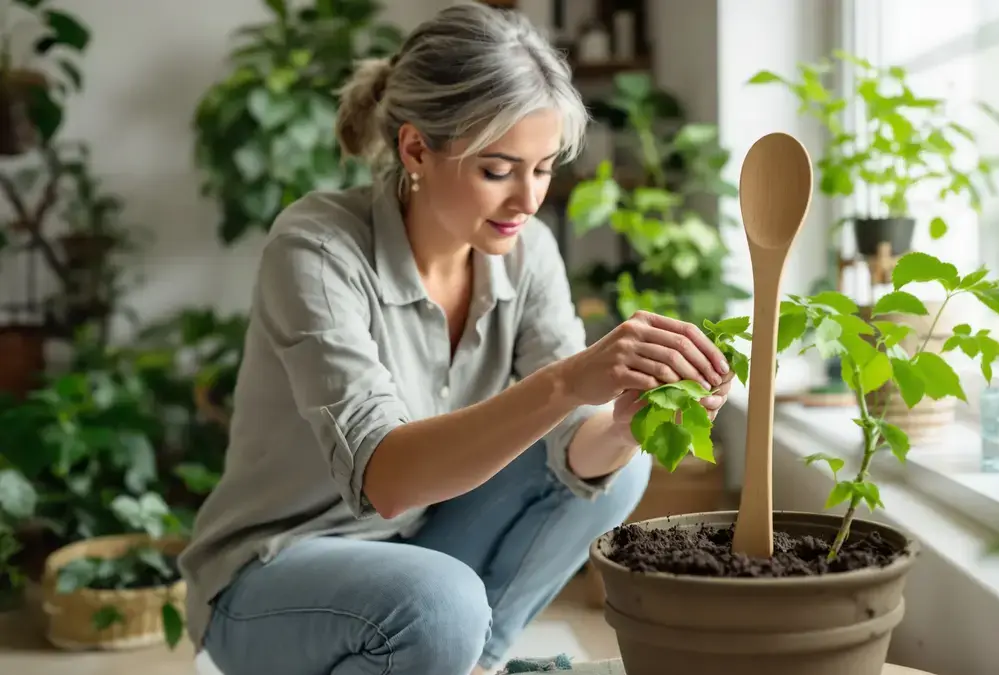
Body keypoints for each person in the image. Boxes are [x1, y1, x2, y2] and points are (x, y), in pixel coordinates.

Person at [178, 4, 734, 675]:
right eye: (498, 170)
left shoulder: (528, 253)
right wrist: (567, 382)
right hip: (272, 571)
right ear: (416, 149)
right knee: (441, 604)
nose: (528, 200)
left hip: (420, 544)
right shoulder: (318, 247)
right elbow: (386, 478)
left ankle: (474, 664)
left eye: (544, 167)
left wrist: (624, 424)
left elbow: (570, 454)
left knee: (622, 467)